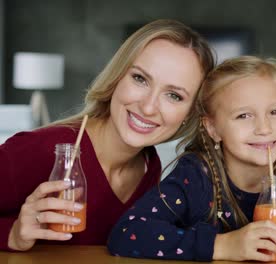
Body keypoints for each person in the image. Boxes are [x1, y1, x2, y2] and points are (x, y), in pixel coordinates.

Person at [0, 19, 214, 252]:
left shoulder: (149, 166)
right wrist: (12, 234)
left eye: (174, 95)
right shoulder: (39, 149)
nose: (149, 107)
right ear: (117, 78)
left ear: (189, 112)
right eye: (140, 79)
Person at [107, 56, 276, 261]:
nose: (264, 128)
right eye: (243, 115)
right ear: (212, 128)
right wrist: (222, 245)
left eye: (275, 112)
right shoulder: (196, 178)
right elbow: (127, 232)